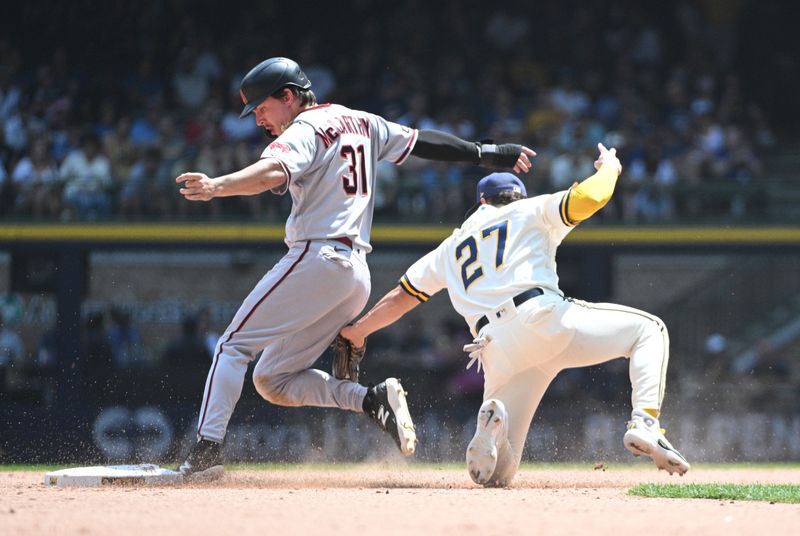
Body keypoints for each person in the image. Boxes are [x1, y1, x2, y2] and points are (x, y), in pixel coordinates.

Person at [174, 56, 535, 479]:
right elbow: (424, 143)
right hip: (355, 275)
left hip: (317, 258)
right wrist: (486, 153)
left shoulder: (304, 129)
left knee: (232, 346)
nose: (258, 119)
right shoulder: (363, 121)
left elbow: (273, 169)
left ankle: (204, 455)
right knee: (272, 378)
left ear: (288, 97)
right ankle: (370, 400)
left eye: (261, 107)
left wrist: (218, 186)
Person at [340, 143, 690, 487]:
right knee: (649, 330)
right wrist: (610, 169)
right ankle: (645, 423)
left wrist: (358, 331)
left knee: (500, 476)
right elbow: (590, 198)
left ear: (481, 201)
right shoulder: (529, 210)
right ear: (517, 196)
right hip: (541, 317)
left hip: (494, 347)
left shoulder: (450, 247)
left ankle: (493, 429)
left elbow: (401, 297)